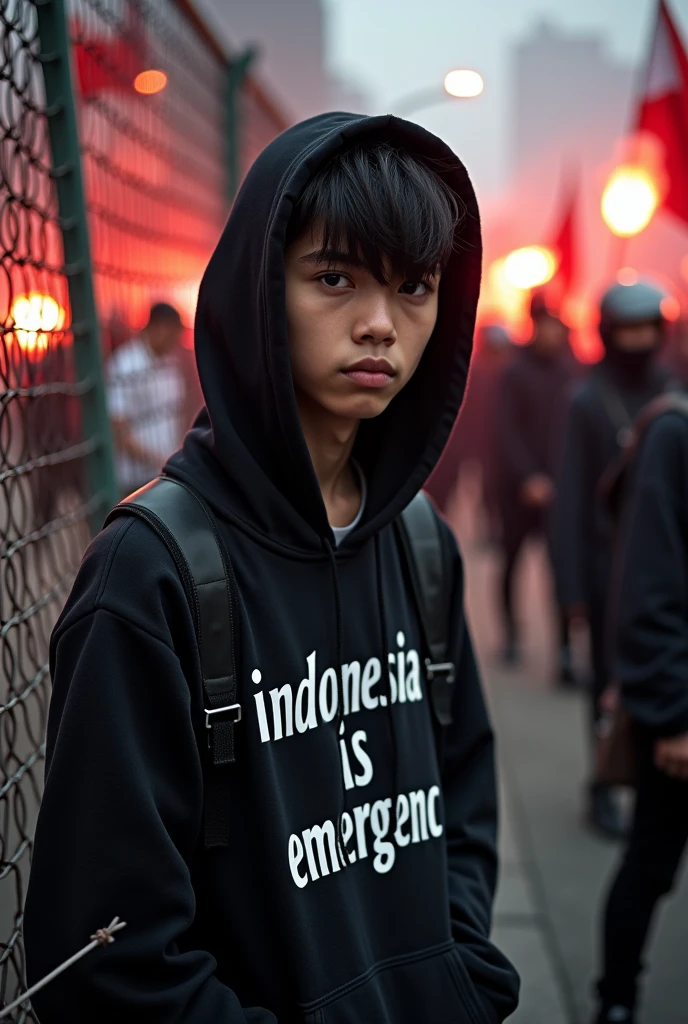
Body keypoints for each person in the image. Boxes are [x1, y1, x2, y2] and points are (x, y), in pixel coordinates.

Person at [24, 115, 520, 1022]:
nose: (380, 323)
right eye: (335, 278)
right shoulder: (151, 574)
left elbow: (466, 807)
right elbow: (110, 953)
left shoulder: (419, 541)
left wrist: (455, 980)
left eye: (414, 287)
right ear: (261, 287)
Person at [553, 279, 672, 839]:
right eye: (628, 330)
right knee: (606, 682)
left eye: (647, 328)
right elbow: (572, 499)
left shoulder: (672, 393)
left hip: (667, 569)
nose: (638, 339)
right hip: (607, 574)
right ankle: (602, 783)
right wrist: (570, 589)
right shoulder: (585, 399)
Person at [593, 396, 688, 1024]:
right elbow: (648, 582)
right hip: (679, 710)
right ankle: (617, 1000)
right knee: (650, 864)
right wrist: (674, 714)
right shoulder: (674, 432)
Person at [494, 293, 575, 678]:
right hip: (516, 490)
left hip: (560, 488)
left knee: (562, 568)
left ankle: (565, 650)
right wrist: (527, 477)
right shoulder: (514, 372)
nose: (552, 332)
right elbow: (505, 431)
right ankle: (510, 635)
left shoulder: (570, 372)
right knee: (511, 562)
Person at [425, 322, 512, 537]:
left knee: (490, 487)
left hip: (489, 439)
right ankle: (436, 523)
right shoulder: (473, 370)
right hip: (462, 437)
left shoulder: (504, 375)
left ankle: (490, 526)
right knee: (447, 482)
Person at [106, 301, 186, 495]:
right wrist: (158, 460)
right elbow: (118, 427)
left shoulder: (169, 362)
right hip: (136, 481)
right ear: (159, 328)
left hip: (165, 474)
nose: (175, 342)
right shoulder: (126, 364)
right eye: (172, 335)